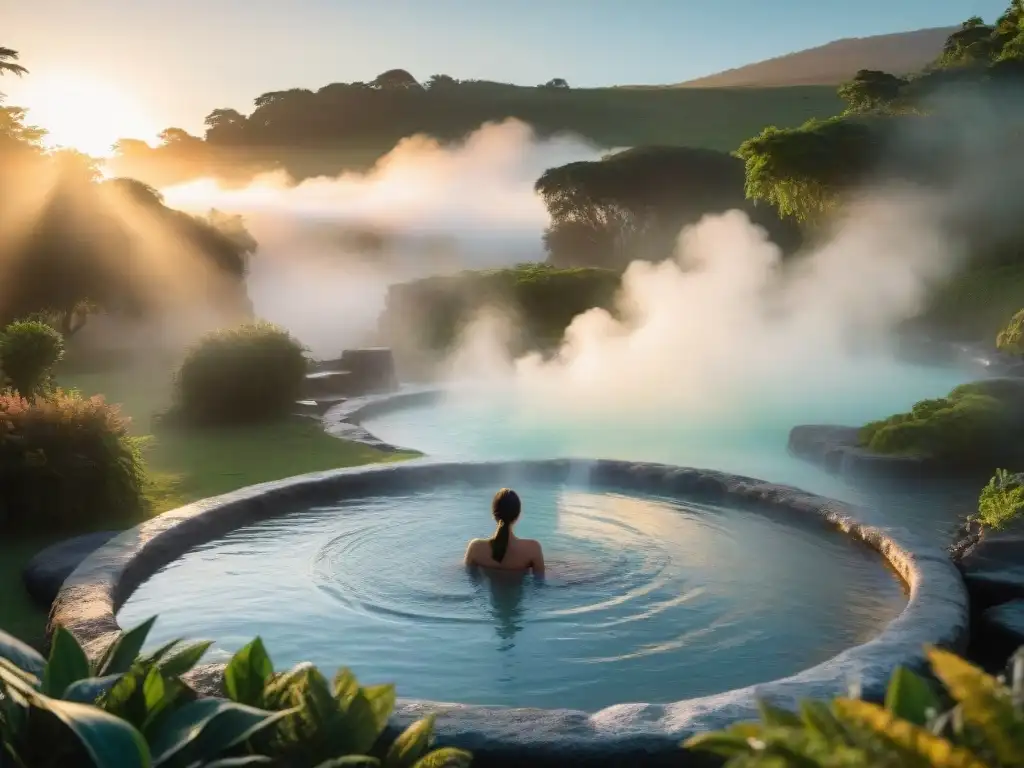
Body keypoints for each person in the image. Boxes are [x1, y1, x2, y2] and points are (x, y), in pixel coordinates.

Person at [464, 488, 545, 576]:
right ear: (517, 516)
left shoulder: (476, 548)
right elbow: (540, 581)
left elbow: (469, 576)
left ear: (494, 515)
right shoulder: (532, 549)